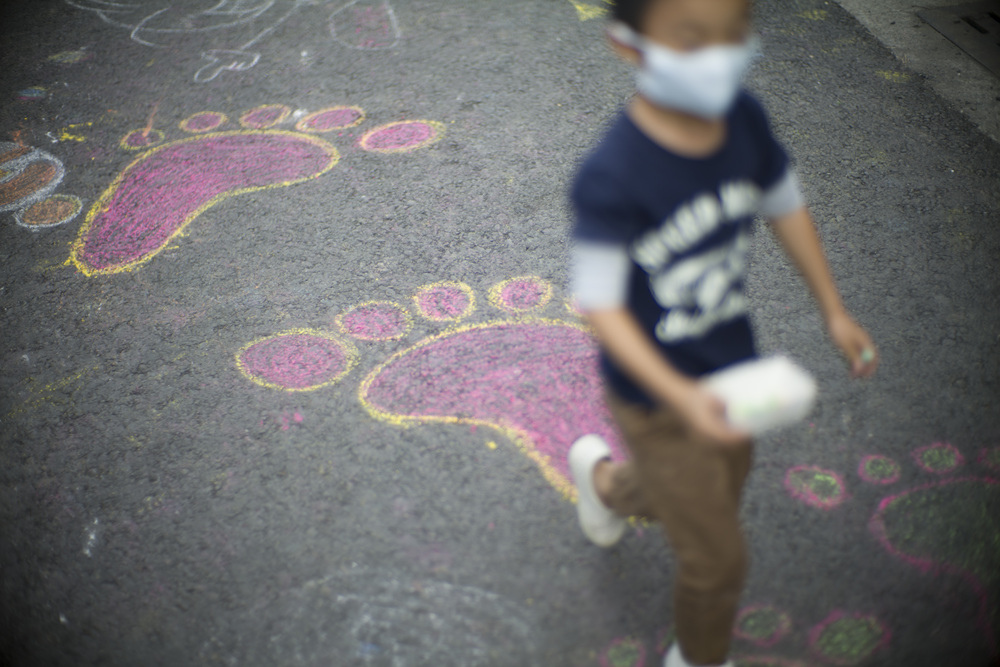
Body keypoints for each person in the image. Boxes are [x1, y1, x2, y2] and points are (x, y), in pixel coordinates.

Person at [566, 1, 879, 666]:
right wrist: (679, 398)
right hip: (653, 395)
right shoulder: (611, 174)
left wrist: (833, 308)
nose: (718, 52)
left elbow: (786, 205)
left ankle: (603, 486)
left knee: (700, 489)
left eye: (734, 32)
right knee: (717, 559)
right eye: (689, 36)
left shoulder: (746, 122)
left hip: (732, 368)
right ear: (629, 45)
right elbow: (599, 305)